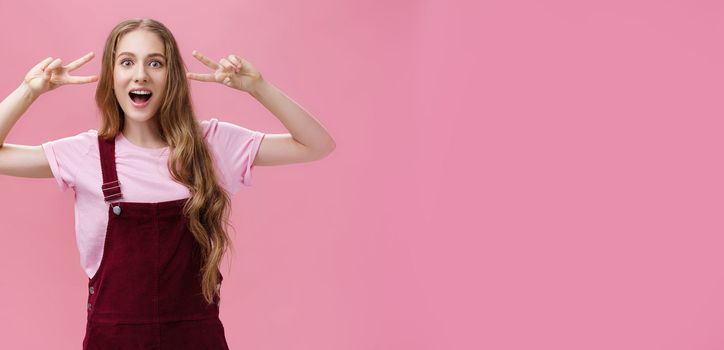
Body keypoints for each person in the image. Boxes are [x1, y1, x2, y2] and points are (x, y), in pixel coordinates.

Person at [0, 18, 335, 349]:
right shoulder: (85, 153)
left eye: (155, 62)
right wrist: (29, 91)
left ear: (172, 75)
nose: (141, 74)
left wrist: (258, 87)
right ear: (112, 76)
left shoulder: (212, 143)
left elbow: (317, 144)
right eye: (127, 62)